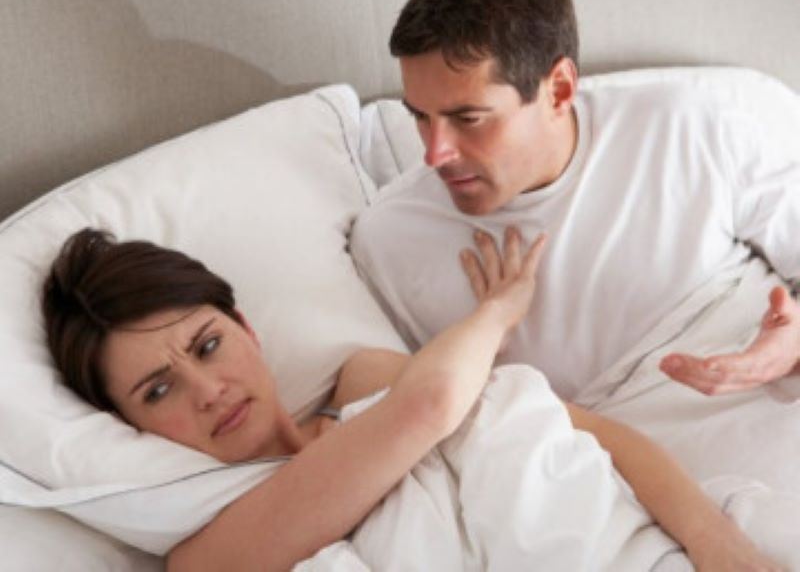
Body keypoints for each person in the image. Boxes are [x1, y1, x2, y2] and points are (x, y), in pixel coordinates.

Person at [41, 228, 781, 570]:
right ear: (129, 426)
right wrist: (498, 313)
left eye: (207, 346)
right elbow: (430, 405)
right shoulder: (212, 556)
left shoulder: (362, 382)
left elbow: (599, 437)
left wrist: (716, 543)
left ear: (246, 329)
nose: (209, 391)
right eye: (158, 390)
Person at [349, 0, 800, 402]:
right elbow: (387, 417)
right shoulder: (392, 241)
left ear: (559, 90)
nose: (435, 154)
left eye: (468, 119)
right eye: (420, 116)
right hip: (616, 446)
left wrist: (791, 346)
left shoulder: (686, 126)